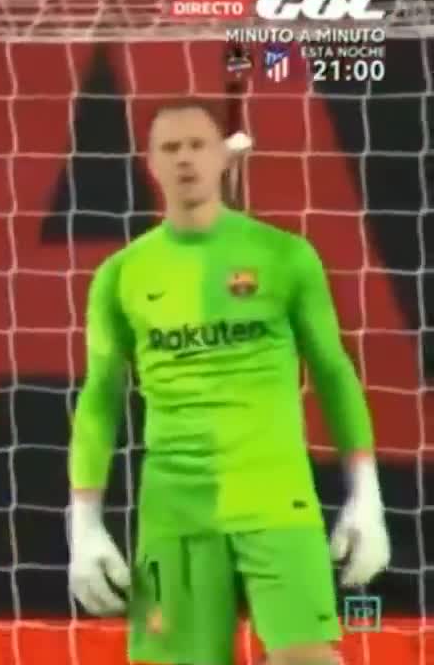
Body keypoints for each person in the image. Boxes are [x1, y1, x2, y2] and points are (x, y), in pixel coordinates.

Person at [66, 98, 391, 665]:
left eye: (197, 145)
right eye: (170, 148)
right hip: (173, 511)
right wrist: (84, 524)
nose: (185, 158)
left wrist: (367, 496)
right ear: (150, 162)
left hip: (276, 500)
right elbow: (98, 401)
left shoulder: (285, 256)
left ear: (223, 157)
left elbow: (334, 373)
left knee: (308, 660)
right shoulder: (120, 275)